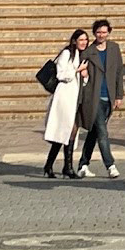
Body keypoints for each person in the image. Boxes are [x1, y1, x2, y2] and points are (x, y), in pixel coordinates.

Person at [76, 19, 125, 177]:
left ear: (109, 32)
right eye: (98, 32)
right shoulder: (88, 51)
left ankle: (83, 164)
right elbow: (82, 73)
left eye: (104, 32)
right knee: (103, 133)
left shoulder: (114, 48)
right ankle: (110, 166)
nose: (101, 35)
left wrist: (119, 95)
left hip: (108, 98)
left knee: (94, 132)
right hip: (94, 98)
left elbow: (119, 72)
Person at [41, 29, 90, 177]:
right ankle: (61, 167)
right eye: (81, 40)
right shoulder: (67, 54)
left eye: (85, 40)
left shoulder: (83, 55)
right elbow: (61, 74)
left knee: (70, 131)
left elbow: (83, 81)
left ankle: (58, 166)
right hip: (64, 97)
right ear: (74, 40)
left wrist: (85, 74)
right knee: (64, 131)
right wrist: (77, 70)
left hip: (75, 97)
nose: (84, 43)